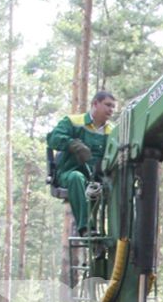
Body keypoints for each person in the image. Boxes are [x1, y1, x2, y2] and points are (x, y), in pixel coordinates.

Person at [46, 91, 117, 233]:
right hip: (69, 172)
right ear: (95, 103)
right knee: (76, 177)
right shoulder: (73, 122)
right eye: (108, 105)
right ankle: (85, 227)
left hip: (98, 178)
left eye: (113, 107)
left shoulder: (113, 132)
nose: (111, 110)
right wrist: (73, 145)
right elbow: (53, 138)